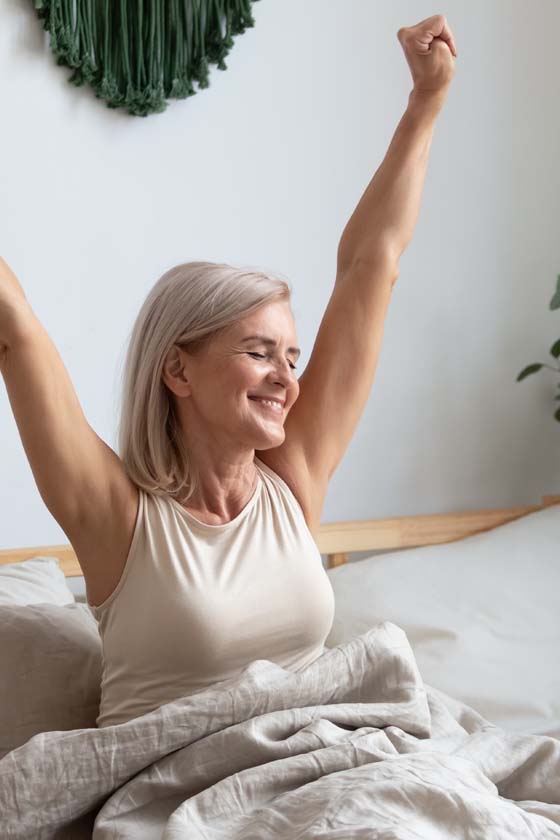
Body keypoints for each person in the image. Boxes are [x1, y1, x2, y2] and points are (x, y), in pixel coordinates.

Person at [0, 15, 457, 727]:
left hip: (323, 761)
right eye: (258, 351)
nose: (286, 377)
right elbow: (14, 329)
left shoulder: (293, 479)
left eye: (292, 357)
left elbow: (372, 266)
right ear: (177, 370)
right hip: (179, 790)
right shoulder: (117, 516)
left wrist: (425, 104)